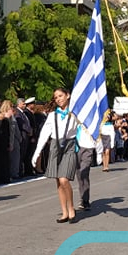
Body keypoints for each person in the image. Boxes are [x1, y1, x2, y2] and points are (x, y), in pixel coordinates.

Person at [30, 88, 80, 223]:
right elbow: (44, 133)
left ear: (68, 95)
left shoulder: (75, 113)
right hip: (55, 146)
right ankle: (64, 212)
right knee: (58, 180)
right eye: (56, 97)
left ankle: (71, 208)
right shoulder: (52, 115)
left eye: (60, 96)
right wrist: (37, 152)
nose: (58, 99)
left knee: (64, 179)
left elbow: (86, 128)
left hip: (69, 146)